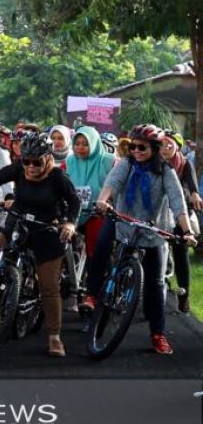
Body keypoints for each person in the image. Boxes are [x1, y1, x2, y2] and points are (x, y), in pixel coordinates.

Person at [85, 124, 197, 354]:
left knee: (155, 284)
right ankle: (96, 302)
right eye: (133, 146)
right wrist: (103, 201)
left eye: (142, 147)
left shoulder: (167, 172)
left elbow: (178, 202)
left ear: (155, 148)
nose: (135, 150)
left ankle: (158, 334)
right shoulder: (127, 164)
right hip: (125, 225)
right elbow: (112, 183)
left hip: (154, 233)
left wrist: (187, 231)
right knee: (108, 264)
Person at [0, 132, 81, 357]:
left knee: (49, 287)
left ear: (48, 158)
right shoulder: (19, 168)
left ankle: (54, 336)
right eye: (26, 161)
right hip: (18, 224)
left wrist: (70, 224)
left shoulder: (57, 177)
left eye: (37, 162)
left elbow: (74, 201)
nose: (31, 166)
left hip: (46, 230)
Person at [66, 125, 115, 313]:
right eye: (77, 143)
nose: (80, 148)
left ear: (94, 144)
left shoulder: (108, 161)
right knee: (58, 242)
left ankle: (93, 294)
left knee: (97, 251)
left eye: (85, 144)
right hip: (74, 213)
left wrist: (107, 202)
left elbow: (118, 182)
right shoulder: (70, 161)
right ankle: (67, 285)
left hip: (98, 212)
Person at [160, 131, 200, 313]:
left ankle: (184, 296)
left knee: (180, 252)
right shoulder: (152, 163)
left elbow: (192, 185)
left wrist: (194, 194)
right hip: (158, 214)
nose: (166, 148)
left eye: (171, 145)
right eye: (163, 144)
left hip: (179, 214)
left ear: (177, 147)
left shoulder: (184, 164)